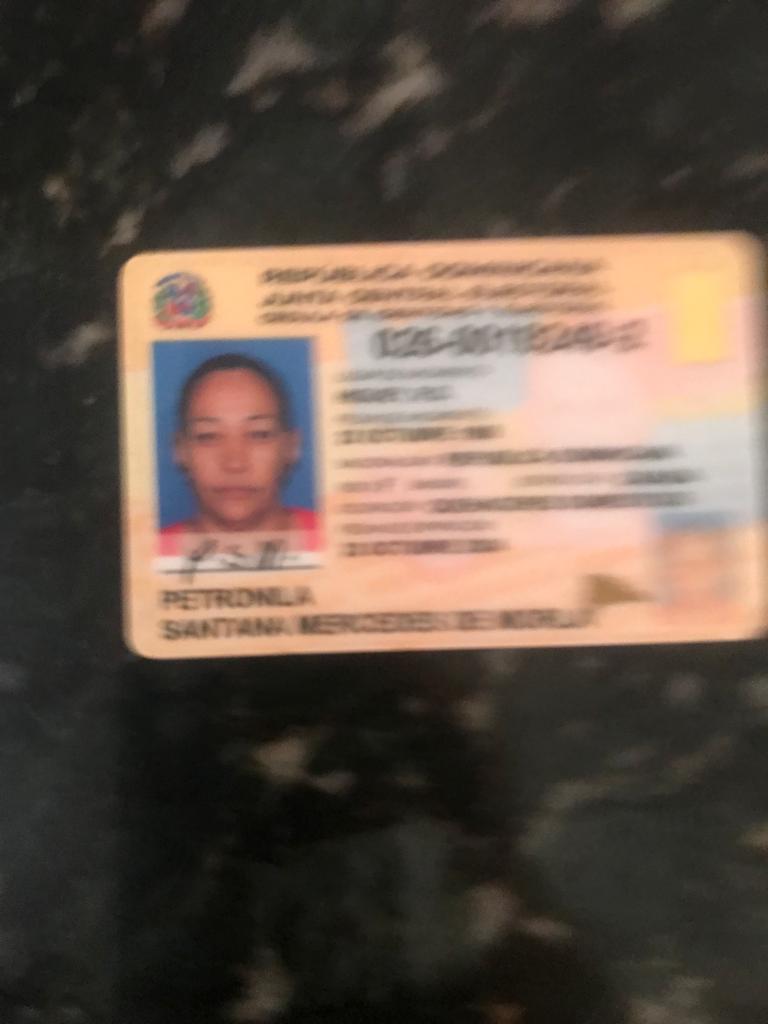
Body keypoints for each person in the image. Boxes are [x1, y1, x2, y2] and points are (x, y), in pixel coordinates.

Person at [160, 353, 318, 556]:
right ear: (179, 450)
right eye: (208, 436)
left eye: (259, 434)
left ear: (291, 447)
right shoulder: (142, 556)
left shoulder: (337, 539)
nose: (235, 463)